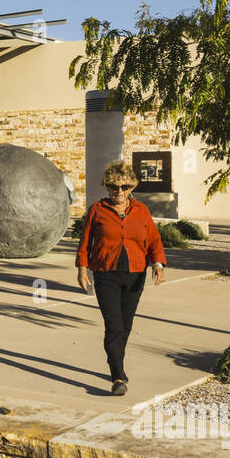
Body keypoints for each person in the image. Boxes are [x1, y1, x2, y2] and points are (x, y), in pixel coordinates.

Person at [75, 161, 166, 395]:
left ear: (131, 188)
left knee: (125, 326)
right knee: (114, 325)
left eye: (124, 187)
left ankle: (117, 363)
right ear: (107, 187)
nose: (119, 192)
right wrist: (82, 269)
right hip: (106, 275)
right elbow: (85, 242)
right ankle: (117, 376)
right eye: (115, 187)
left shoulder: (141, 211)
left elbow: (153, 240)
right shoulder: (97, 210)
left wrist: (157, 264)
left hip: (135, 275)